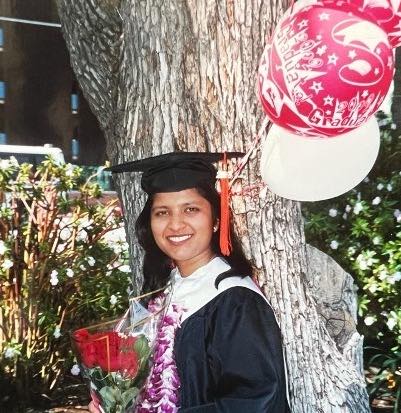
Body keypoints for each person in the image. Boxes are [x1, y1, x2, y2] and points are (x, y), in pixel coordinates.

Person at [89, 152, 290, 412]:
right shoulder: (163, 292)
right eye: (162, 212)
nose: (175, 224)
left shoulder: (236, 302)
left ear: (216, 220)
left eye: (191, 209)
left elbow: (254, 404)